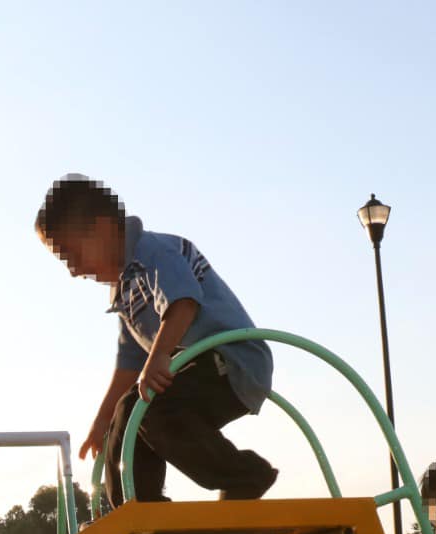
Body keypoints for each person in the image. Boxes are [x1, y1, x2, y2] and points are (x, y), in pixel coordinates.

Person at [35, 175, 278, 507]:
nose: (74, 271)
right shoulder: (125, 291)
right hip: (188, 369)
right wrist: (103, 420)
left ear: (104, 229)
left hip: (231, 361)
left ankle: (246, 474)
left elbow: (183, 303)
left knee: (153, 410)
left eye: (72, 255)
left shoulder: (155, 252)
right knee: (129, 412)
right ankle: (136, 503)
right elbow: (130, 364)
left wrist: (159, 357)